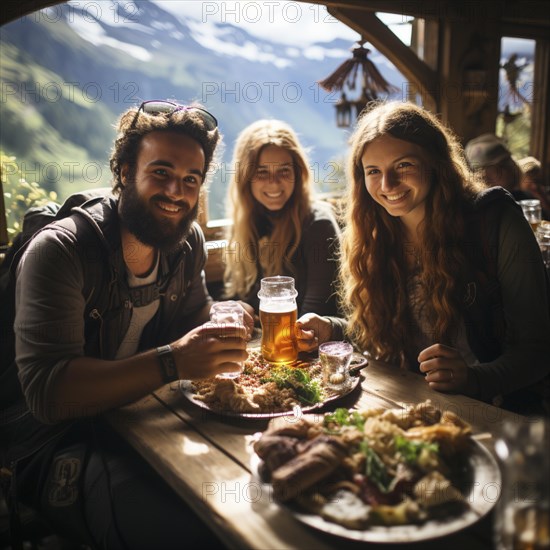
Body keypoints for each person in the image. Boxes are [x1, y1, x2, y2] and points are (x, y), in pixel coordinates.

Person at [0, 100, 254, 549]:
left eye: (191, 180)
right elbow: (48, 393)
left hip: (146, 418)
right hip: (51, 443)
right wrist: (174, 361)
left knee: (260, 494)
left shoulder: (184, 240)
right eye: (161, 172)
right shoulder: (61, 252)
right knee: (188, 532)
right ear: (123, 170)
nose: (177, 192)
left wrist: (223, 317)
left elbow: (195, 317)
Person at [297, 101, 550, 414]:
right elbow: (378, 332)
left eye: (403, 165)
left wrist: (473, 379)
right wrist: (332, 329)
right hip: (404, 406)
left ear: (436, 163)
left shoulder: (495, 222)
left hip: (491, 413)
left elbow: (538, 352)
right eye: (373, 171)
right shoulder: (375, 234)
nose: (387, 185)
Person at [223, 119, 341, 317]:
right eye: (262, 172)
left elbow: (316, 317)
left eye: (284, 171)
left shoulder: (319, 225)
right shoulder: (247, 225)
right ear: (245, 177)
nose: (274, 183)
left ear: (298, 172)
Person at [464, 133, 534, 201]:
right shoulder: (476, 203)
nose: (481, 176)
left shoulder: (523, 199)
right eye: (477, 171)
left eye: (505, 165)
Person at [518, 155, 550, 219]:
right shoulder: (513, 197)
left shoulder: (543, 192)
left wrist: (542, 198)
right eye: (530, 181)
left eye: (537, 181)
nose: (535, 186)